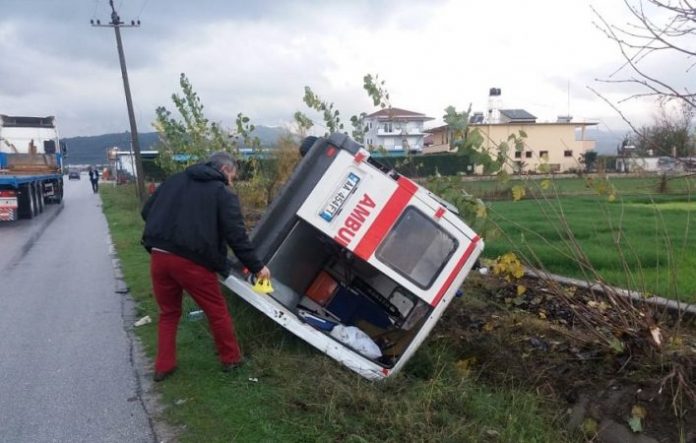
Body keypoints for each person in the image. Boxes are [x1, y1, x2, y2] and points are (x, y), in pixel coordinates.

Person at [141, 151, 271, 382]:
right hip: (192, 262)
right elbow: (237, 236)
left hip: (159, 256)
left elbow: (146, 212)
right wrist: (257, 267)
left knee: (169, 313)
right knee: (216, 311)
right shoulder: (222, 193)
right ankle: (231, 360)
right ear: (224, 170)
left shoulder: (175, 180)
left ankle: (163, 366)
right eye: (232, 176)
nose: (231, 181)